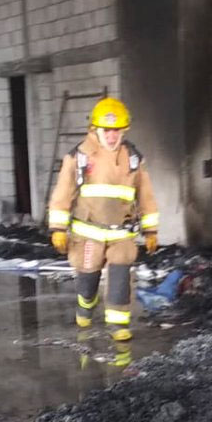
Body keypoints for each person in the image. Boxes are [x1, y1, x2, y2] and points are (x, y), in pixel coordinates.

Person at [48, 97, 160, 341]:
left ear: (123, 131)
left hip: (122, 234)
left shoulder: (133, 159)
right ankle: (85, 302)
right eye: (106, 130)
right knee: (88, 275)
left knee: (121, 275)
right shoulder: (78, 158)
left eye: (116, 130)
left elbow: (146, 196)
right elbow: (62, 194)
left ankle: (118, 324)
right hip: (88, 233)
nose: (111, 136)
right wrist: (58, 228)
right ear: (94, 130)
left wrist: (151, 231)